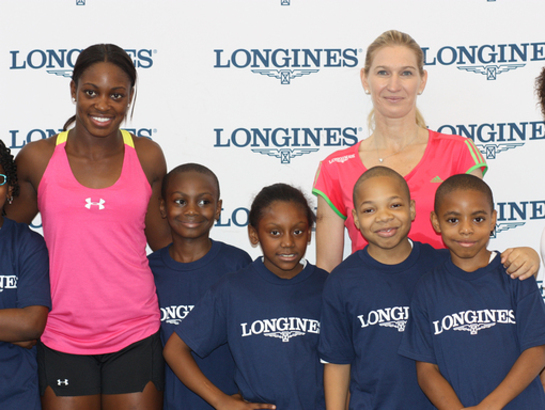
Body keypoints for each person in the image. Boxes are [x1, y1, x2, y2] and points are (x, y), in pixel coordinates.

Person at [6, 44, 170, 410]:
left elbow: (164, 245)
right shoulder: (39, 157)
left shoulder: (147, 156)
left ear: (130, 98)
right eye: (91, 92)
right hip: (61, 333)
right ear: (73, 90)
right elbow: (8, 237)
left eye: (117, 95)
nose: (102, 105)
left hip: (135, 331)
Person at [319, 167, 540, 410]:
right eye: (370, 209)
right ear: (356, 219)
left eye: (394, 205)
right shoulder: (342, 281)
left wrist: (530, 256)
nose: (384, 217)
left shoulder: (442, 263)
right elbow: (338, 360)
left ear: (412, 209)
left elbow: (481, 262)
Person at [313, 29, 488, 272]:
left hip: (447, 304)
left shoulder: (458, 153)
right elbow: (327, 270)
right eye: (383, 73)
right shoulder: (335, 169)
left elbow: (476, 248)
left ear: (422, 80)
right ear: (365, 79)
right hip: (372, 304)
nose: (394, 85)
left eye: (406, 73)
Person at [163, 183, 328, 410]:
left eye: (298, 231)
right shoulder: (232, 289)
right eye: (275, 232)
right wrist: (221, 401)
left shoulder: (327, 286)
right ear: (253, 234)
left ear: (309, 233)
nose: (288, 242)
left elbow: (345, 361)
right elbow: (174, 349)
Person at [399, 174, 545, 409]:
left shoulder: (515, 274)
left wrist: (491, 405)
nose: (466, 229)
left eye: (477, 219)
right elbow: (426, 369)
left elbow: (537, 349)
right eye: (453, 220)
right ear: (436, 222)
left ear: (493, 220)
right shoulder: (427, 288)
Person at [149, 163, 252, 410]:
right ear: (163, 207)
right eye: (180, 201)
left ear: (218, 208)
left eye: (204, 202)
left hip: (231, 402)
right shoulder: (146, 270)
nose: (192, 211)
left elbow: (252, 341)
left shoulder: (237, 264)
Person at [0, 140, 50, 410]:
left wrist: (22, 327)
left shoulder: (27, 243)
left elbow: (31, 325)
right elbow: (19, 327)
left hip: (15, 394)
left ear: (9, 189)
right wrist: (9, 328)